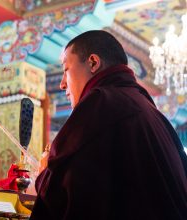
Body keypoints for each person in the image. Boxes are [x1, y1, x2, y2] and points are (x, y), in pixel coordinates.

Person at [30, 30, 187, 220]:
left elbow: (69, 193)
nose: (62, 84)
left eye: (65, 69)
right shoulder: (149, 109)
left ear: (93, 63)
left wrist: (44, 175)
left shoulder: (100, 103)